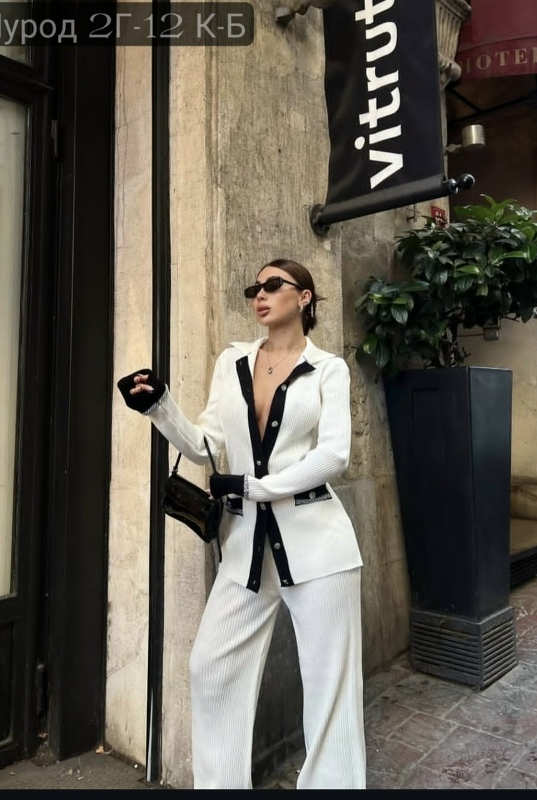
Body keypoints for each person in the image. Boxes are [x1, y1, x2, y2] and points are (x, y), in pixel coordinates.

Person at [117, 258, 366, 789]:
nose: (260, 294)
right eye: (255, 287)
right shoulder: (232, 362)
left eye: (273, 285)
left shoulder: (328, 369)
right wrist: (160, 407)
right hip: (246, 550)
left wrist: (256, 488)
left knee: (331, 693)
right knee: (211, 668)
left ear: (304, 297)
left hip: (319, 549)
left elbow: (334, 456)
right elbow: (207, 445)